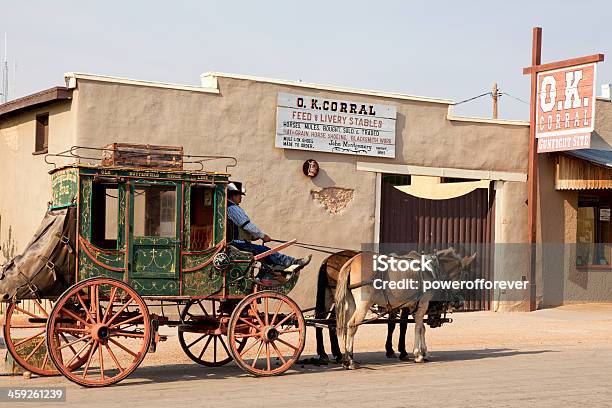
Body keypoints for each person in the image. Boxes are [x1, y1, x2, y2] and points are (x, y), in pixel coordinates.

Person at [226, 182, 311, 270]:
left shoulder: (230, 207)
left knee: (263, 251)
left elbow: (241, 228)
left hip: (236, 243)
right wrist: (263, 236)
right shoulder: (233, 208)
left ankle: (278, 266)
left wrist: (254, 236)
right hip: (237, 244)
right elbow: (247, 226)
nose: (241, 198)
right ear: (233, 196)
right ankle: (291, 262)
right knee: (265, 250)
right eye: (240, 195)